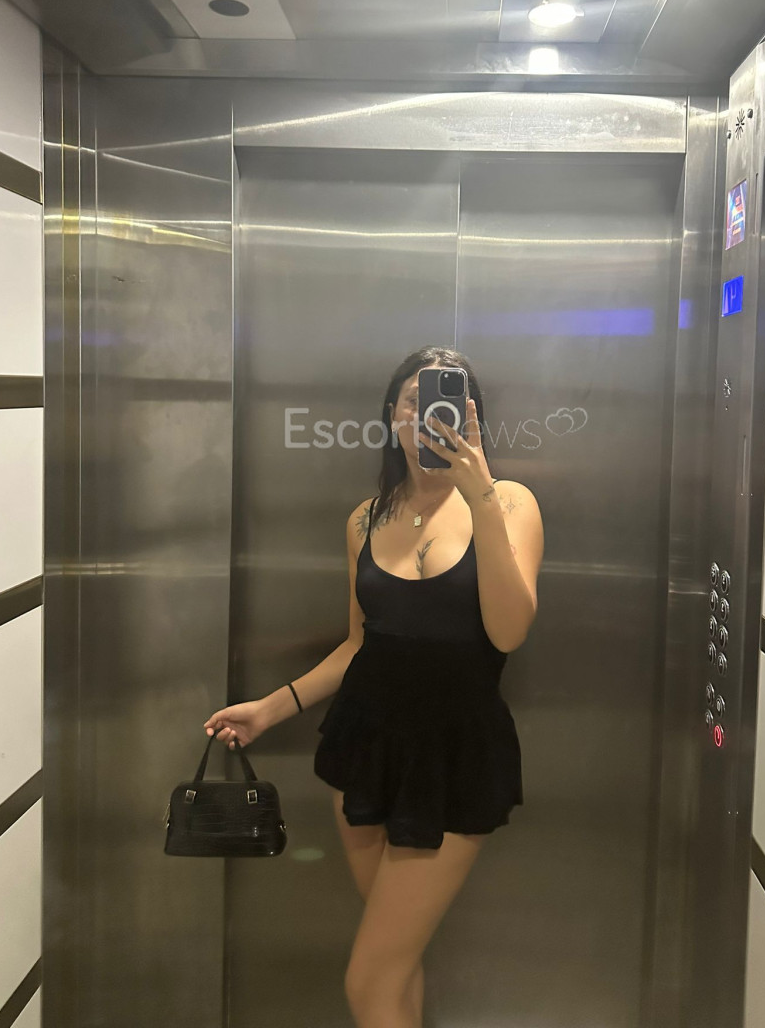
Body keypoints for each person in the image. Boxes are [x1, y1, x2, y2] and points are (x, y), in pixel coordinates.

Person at [204, 345, 544, 1028]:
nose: (429, 415)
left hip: (452, 759)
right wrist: (271, 709)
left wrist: (479, 494)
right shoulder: (366, 518)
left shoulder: (509, 502)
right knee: (395, 966)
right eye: (415, 400)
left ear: (473, 417)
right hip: (365, 744)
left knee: (368, 981)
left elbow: (509, 633)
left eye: (449, 402)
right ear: (392, 415)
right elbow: (361, 644)